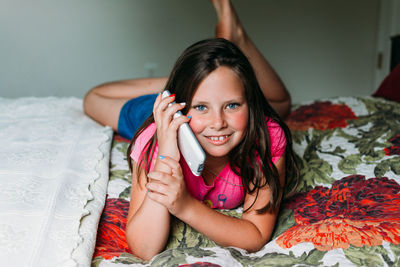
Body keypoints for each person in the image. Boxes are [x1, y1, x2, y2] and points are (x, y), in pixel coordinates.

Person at [84, 0, 298, 261]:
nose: (218, 122)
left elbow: (254, 234)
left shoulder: (266, 137)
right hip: (155, 114)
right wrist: (167, 157)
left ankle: (230, 46)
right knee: (93, 99)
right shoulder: (153, 138)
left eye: (232, 105)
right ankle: (176, 85)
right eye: (201, 106)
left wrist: (185, 206)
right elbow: (144, 248)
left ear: (249, 104)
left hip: (201, 101)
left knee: (282, 104)